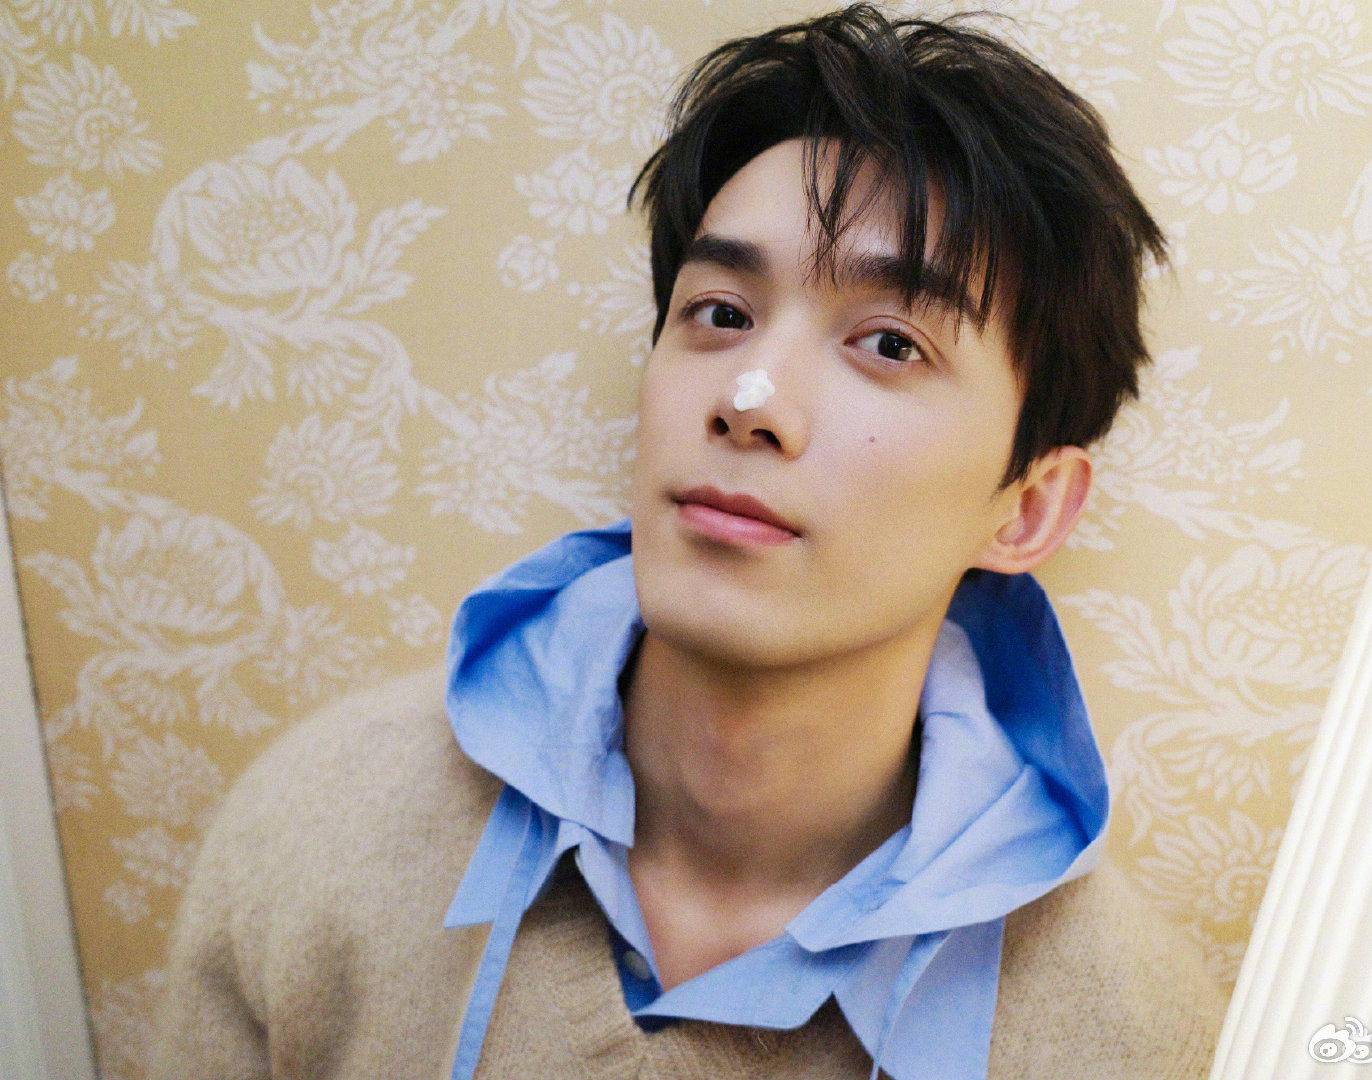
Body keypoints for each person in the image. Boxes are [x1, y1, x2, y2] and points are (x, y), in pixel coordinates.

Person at [152, 5, 1227, 1078]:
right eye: (721, 313)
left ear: (1027, 510)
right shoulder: (321, 826)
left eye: (890, 342)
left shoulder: (1135, 1038)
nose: (750, 399)